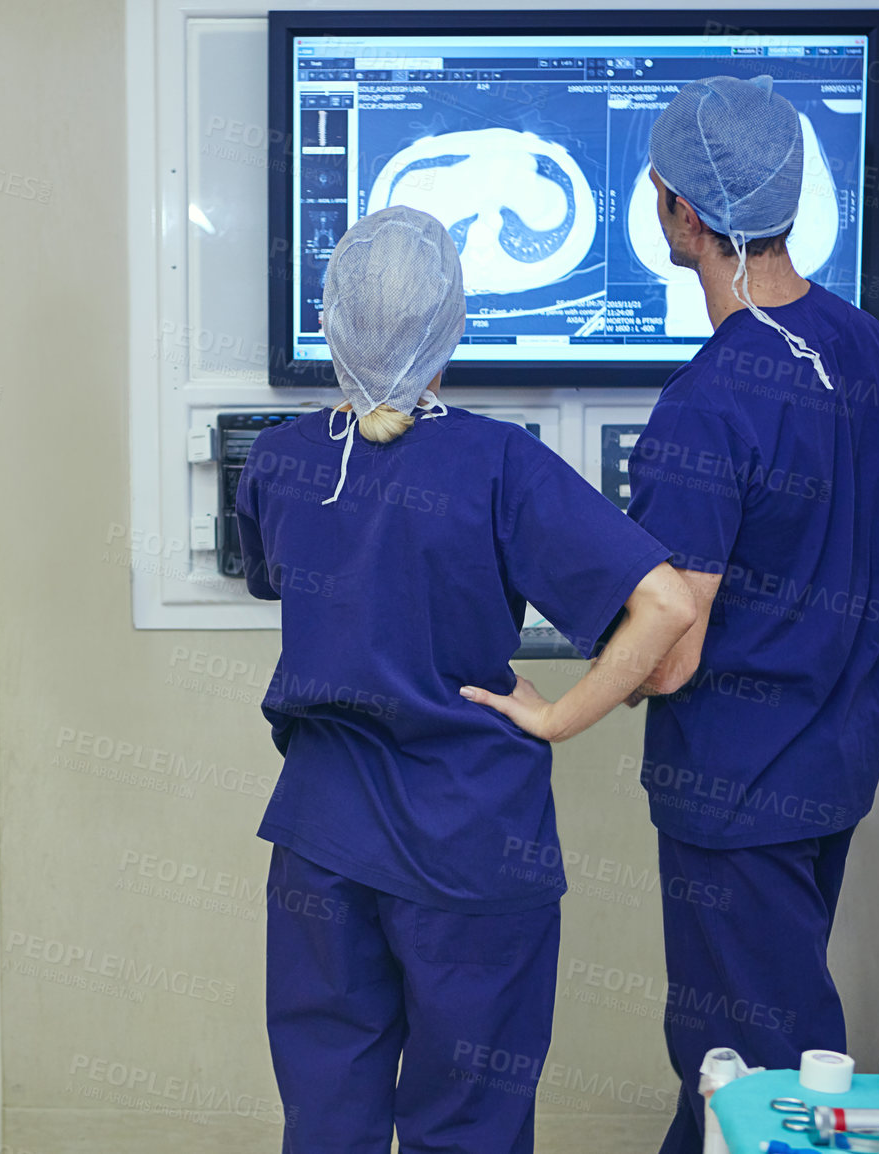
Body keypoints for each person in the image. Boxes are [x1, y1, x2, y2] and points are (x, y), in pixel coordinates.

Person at [234, 204, 696, 1154]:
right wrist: (562, 716)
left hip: (322, 842)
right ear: (457, 325)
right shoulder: (500, 465)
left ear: (329, 322)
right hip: (471, 844)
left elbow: (282, 576)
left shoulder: (279, 462)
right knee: (470, 1125)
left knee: (329, 1117)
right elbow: (666, 605)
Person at [620, 76, 879, 1154]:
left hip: (733, 788)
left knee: (758, 1075)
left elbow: (670, 657)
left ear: (684, 214)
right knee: (739, 1054)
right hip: (829, 770)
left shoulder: (706, 402)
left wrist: (572, 687)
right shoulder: (873, 352)